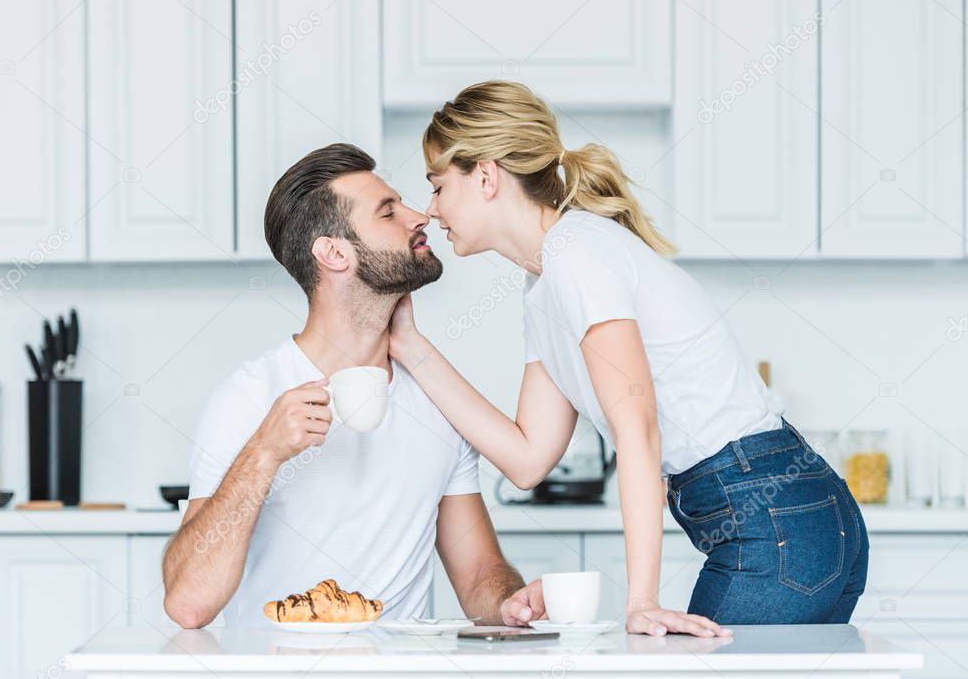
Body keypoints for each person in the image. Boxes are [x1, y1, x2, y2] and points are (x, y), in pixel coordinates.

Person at [388, 81, 868, 635]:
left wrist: (641, 602)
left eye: (439, 186)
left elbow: (637, 429)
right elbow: (526, 459)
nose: (431, 209)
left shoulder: (578, 256)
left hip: (773, 519)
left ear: (487, 176)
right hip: (793, 518)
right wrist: (409, 347)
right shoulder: (545, 280)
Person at [163, 143, 541, 628]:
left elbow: (478, 576)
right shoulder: (251, 397)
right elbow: (189, 604)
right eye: (388, 212)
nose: (419, 215)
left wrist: (508, 602)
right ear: (334, 253)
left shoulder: (437, 400)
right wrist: (263, 453)